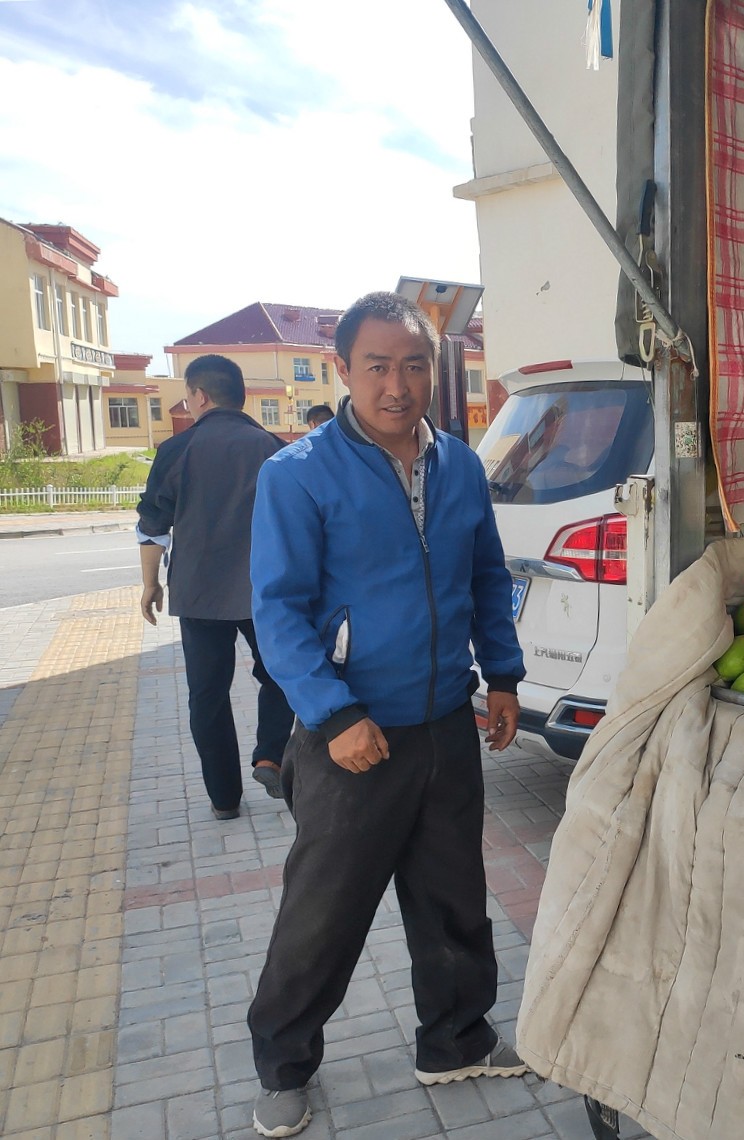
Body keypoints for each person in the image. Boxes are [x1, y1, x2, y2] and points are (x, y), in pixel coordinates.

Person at [245, 292, 527, 1138]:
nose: (396, 386)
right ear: (343, 369)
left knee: (453, 898)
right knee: (323, 914)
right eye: (377, 367)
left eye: (412, 366)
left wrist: (502, 676)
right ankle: (284, 1066)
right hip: (352, 735)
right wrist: (334, 716)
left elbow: (486, 577)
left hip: (444, 721)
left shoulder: (461, 466)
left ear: (432, 370)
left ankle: (455, 1039)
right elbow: (278, 612)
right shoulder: (298, 474)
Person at [137, 354, 295, 821]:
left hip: (198, 592)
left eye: (187, 396)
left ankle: (224, 798)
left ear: (200, 396)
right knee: (282, 675)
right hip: (266, 590)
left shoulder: (176, 449)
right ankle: (270, 755)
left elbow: (153, 524)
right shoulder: (275, 448)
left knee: (207, 695)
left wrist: (150, 584)